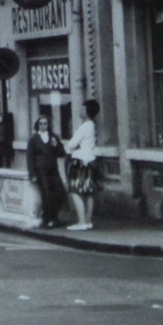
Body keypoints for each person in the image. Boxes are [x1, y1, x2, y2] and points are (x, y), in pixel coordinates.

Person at [65, 98, 102, 230]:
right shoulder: (92, 125)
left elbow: (71, 144)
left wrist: (68, 148)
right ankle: (88, 220)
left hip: (79, 161)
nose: (80, 110)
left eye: (83, 108)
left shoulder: (84, 126)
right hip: (90, 160)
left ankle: (81, 221)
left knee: (75, 190)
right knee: (88, 192)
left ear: (87, 111)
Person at [26, 114, 67, 228]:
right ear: (37, 125)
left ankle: (54, 216)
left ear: (48, 125)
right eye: (41, 124)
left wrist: (56, 145)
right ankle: (47, 219)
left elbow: (61, 153)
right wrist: (32, 173)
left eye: (45, 123)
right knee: (46, 194)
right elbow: (30, 157)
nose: (43, 126)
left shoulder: (53, 137)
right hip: (40, 170)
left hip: (53, 169)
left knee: (61, 192)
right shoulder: (34, 139)